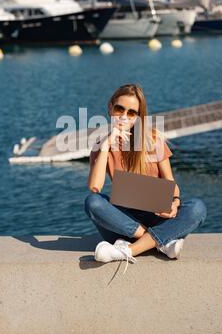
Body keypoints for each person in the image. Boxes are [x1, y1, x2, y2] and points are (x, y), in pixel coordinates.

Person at [84, 83, 207, 273]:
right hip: (124, 222)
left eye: (131, 112)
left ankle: (128, 249)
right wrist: (106, 146)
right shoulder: (101, 146)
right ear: (111, 107)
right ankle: (160, 242)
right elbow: (94, 188)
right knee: (92, 202)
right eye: (119, 109)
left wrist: (174, 202)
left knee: (197, 208)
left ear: (138, 116)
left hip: (156, 214)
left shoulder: (153, 139)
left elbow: (171, 183)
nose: (124, 116)